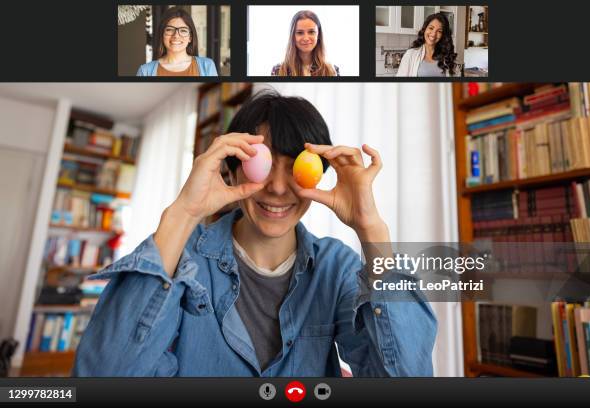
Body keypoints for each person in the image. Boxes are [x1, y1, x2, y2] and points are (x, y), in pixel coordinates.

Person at [73, 90, 436, 377]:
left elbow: (404, 377)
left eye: (297, 167)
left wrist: (372, 228)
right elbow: (102, 375)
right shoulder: (181, 260)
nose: (278, 188)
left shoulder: (335, 267)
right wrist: (183, 212)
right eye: (260, 164)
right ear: (229, 171)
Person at [136, 7, 217, 77]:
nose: (176, 36)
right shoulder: (145, 71)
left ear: (190, 37)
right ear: (162, 34)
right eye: (170, 30)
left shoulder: (207, 66)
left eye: (183, 30)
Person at [271, 10, 340, 76]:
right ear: (292, 37)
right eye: (300, 33)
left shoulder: (332, 70)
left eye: (311, 32)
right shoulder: (278, 70)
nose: (306, 38)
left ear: (318, 35)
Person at [396, 13, 457, 77]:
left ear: (443, 35)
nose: (433, 34)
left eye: (439, 31)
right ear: (425, 29)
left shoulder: (446, 57)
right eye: (431, 28)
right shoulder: (411, 54)